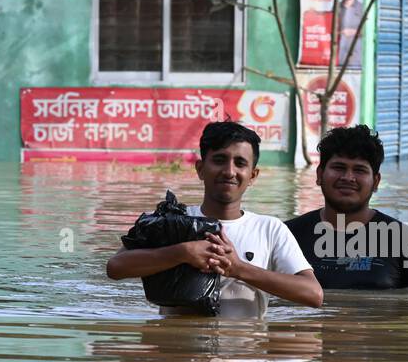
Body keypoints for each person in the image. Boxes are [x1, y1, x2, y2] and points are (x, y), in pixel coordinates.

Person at [106, 121, 322, 316]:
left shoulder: (269, 228)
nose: (229, 171)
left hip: (245, 354)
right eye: (219, 160)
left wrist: (238, 268)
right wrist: (182, 252)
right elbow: (116, 267)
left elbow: (313, 295)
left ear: (253, 175)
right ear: (200, 169)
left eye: (240, 163)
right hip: (177, 355)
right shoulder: (173, 221)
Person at [285, 124, 408, 290]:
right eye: (339, 167)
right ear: (319, 175)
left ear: (376, 182)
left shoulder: (404, 241)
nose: (348, 177)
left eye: (359, 170)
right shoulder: (287, 235)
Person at [335, 0, 365, 68]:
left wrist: (354, 32)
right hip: (338, 58)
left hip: (356, 59)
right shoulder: (336, 8)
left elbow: (369, 31)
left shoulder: (362, 8)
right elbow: (330, 29)